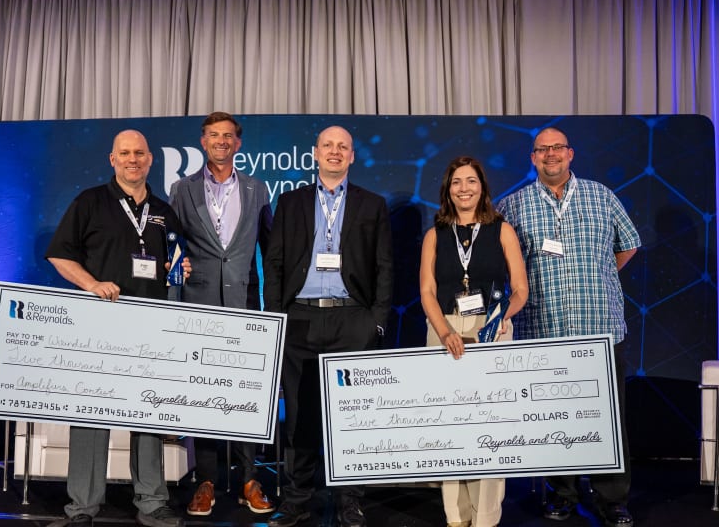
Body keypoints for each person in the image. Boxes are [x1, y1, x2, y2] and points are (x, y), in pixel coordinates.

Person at [496, 127, 640, 527]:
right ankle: (563, 492)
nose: (551, 155)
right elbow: (501, 264)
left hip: (600, 328)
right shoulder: (513, 205)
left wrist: (598, 275)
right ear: (533, 158)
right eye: (542, 150)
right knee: (555, 419)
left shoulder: (601, 196)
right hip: (544, 331)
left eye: (557, 148)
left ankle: (613, 499)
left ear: (571, 153)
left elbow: (628, 244)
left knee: (608, 418)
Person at [45, 129, 186, 527]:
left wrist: (179, 269)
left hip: (150, 329)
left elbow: (173, 265)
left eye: (139, 153)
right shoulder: (89, 202)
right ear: (112, 159)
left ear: (150, 159)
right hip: (99, 325)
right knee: (91, 415)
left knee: (148, 415)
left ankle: (152, 502)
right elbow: (59, 254)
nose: (132, 159)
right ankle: (82, 509)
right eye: (124, 153)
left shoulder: (163, 210)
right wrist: (91, 284)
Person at [263, 126, 393, 527]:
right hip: (300, 318)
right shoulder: (290, 202)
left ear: (352, 156)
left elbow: (384, 266)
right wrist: (277, 316)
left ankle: (349, 501)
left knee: (350, 416)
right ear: (315, 154)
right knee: (300, 416)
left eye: (343, 147)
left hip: (352, 318)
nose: (335, 152)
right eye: (328, 146)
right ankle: (298, 500)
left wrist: (376, 322)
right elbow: (275, 263)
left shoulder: (372, 205)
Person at [168, 111, 276, 517]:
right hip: (198, 305)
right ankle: (206, 482)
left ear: (238, 143)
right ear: (203, 141)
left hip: (245, 304)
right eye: (214, 135)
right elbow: (173, 244)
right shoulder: (181, 189)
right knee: (204, 394)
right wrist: (177, 269)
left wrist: (272, 303)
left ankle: (249, 479)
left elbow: (270, 249)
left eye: (228, 136)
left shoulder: (257, 189)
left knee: (247, 393)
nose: (222, 141)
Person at [419, 156, 528, 527]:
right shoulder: (435, 234)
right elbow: (427, 290)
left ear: (482, 187)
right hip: (444, 328)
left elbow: (521, 289)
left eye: (471, 181)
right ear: (447, 190)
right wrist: (445, 331)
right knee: (451, 426)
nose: (464, 188)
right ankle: (456, 515)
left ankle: (486, 517)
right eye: (456, 182)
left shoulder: (502, 230)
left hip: (492, 329)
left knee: (490, 427)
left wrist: (501, 318)